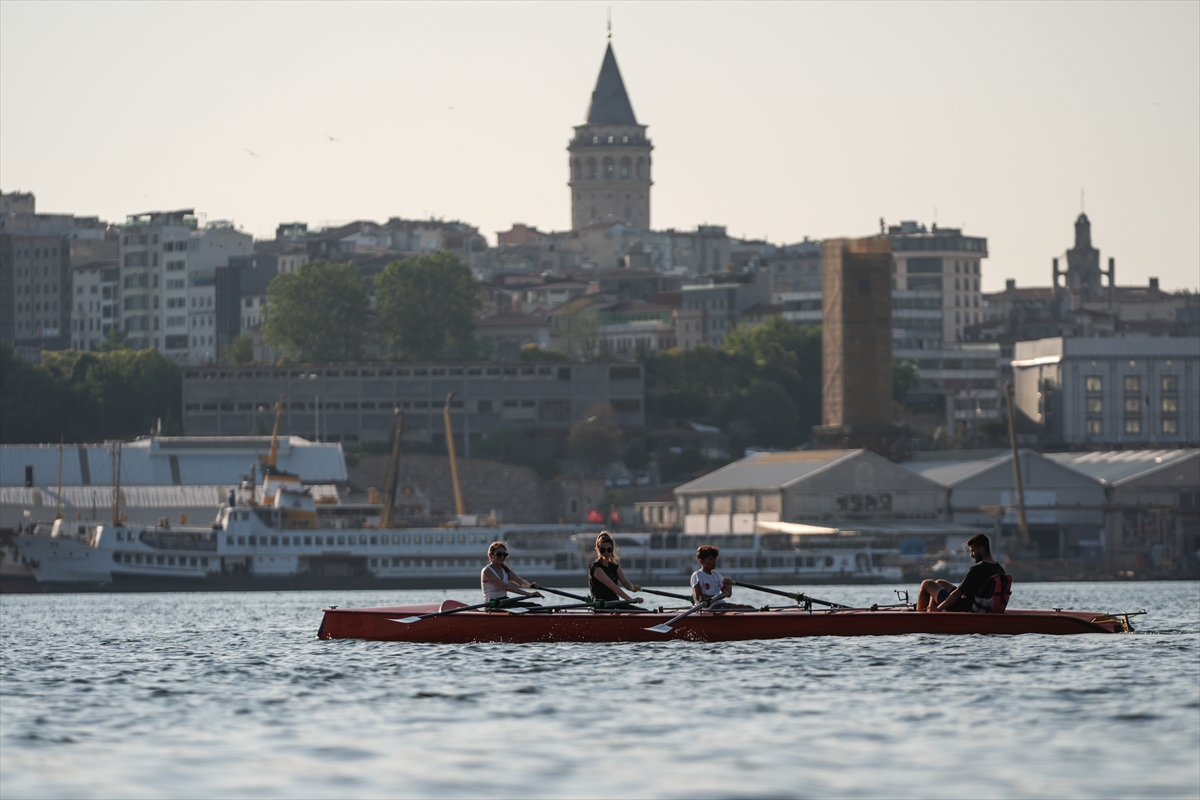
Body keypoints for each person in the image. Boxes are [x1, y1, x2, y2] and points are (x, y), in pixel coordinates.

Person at [917, 533, 1007, 612]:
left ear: (981, 549)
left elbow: (957, 594)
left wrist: (939, 608)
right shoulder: (1000, 570)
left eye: (972, 551)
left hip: (963, 607)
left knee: (927, 583)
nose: (971, 554)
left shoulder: (976, 570)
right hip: (980, 604)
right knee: (940, 583)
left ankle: (922, 616)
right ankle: (931, 611)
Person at [588, 531, 643, 605]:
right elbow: (612, 586)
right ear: (598, 549)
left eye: (609, 549)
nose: (606, 552)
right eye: (603, 550)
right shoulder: (596, 568)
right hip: (602, 605)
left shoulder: (614, 567)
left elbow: (625, 583)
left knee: (644, 611)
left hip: (615, 603)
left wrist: (633, 588)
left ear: (612, 550)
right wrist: (630, 600)